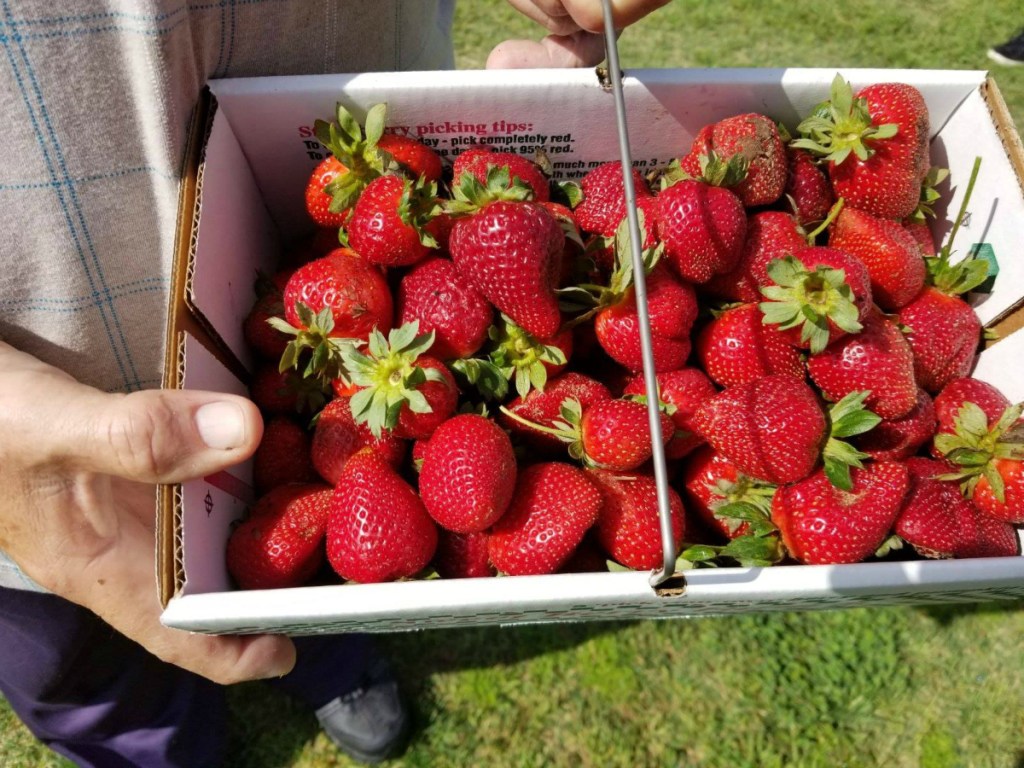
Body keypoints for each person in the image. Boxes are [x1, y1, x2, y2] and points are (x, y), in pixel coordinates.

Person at [0, 1, 670, 766]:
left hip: (352, 129)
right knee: (76, 672)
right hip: (27, 399)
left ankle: (336, 667)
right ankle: (146, 749)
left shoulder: (369, 282)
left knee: (341, 586)